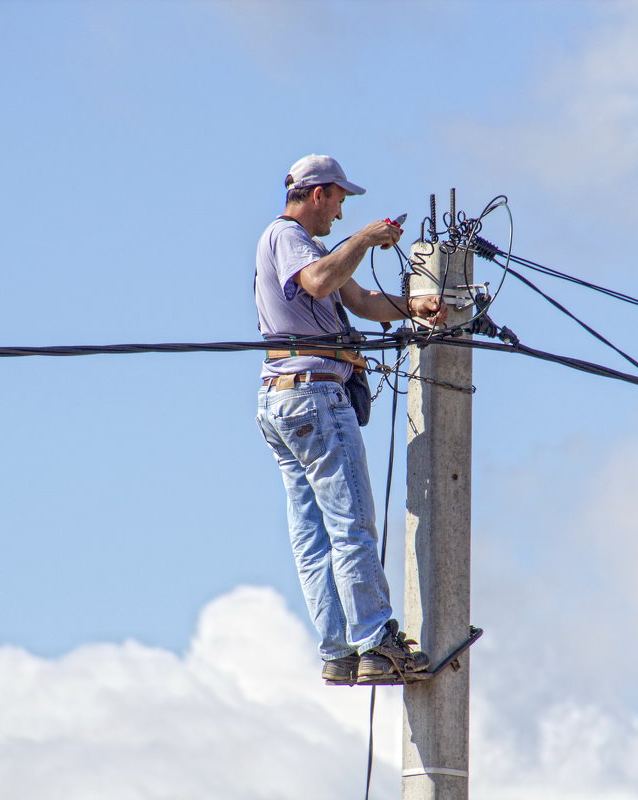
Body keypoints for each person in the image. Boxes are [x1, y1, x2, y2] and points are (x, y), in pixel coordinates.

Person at [254, 154, 447, 685]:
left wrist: (415, 308)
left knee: (313, 534)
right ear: (320, 193)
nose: (339, 213)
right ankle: (376, 642)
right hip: (315, 395)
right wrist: (363, 239)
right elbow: (320, 281)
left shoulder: (307, 249)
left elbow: (358, 300)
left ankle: (339, 649)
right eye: (340, 200)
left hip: (282, 398)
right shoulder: (290, 237)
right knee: (350, 524)